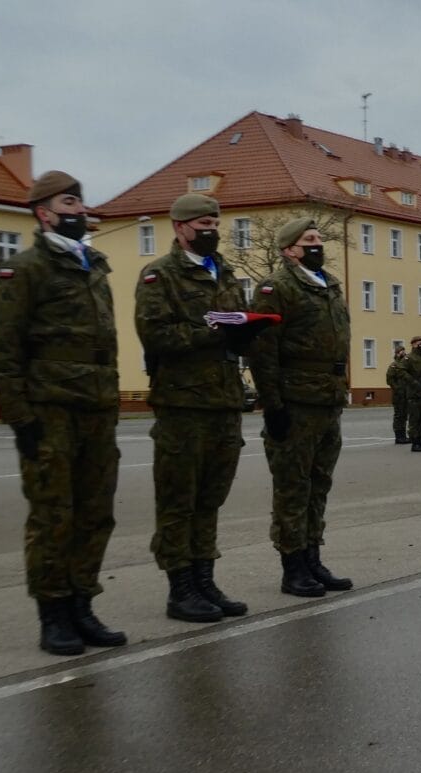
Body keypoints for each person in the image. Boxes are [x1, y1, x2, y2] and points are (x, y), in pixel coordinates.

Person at [0, 170, 125, 655]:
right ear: (44, 213)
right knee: (52, 516)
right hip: (51, 413)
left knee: (95, 513)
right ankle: (53, 612)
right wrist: (21, 419)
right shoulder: (22, 270)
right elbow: (2, 351)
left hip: (98, 409)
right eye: (69, 204)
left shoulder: (94, 266)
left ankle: (83, 604)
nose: (79, 213)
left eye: (81, 205)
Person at [135, 192, 259, 624]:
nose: (210, 231)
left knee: (210, 499)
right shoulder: (159, 275)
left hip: (224, 400)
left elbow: (234, 322)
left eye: (214, 224)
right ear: (179, 228)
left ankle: (205, 579)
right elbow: (156, 335)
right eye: (201, 225)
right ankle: (180, 587)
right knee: (178, 500)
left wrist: (246, 330)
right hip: (183, 403)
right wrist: (215, 332)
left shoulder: (223, 271)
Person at [247, 217, 354, 597]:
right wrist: (273, 404)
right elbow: (263, 351)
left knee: (319, 484)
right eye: (309, 240)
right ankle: (292, 566)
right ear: (290, 248)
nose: (317, 244)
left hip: (327, 400)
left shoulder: (329, 285)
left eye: (319, 239)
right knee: (293, 486)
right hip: (295, 401)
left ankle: (312, 557)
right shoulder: (276, 288)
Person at [385, 344, 412, 443]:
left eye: (404, 351)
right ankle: (398, 436)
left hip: (406, 394)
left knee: (404, 415)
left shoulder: (405, 365)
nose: (404, 353)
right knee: (399, 415)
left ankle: (403, 436)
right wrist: (397, 389)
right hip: (398, 395)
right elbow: (389, 380)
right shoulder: (394, 365)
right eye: (401, 351)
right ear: (397, 353)